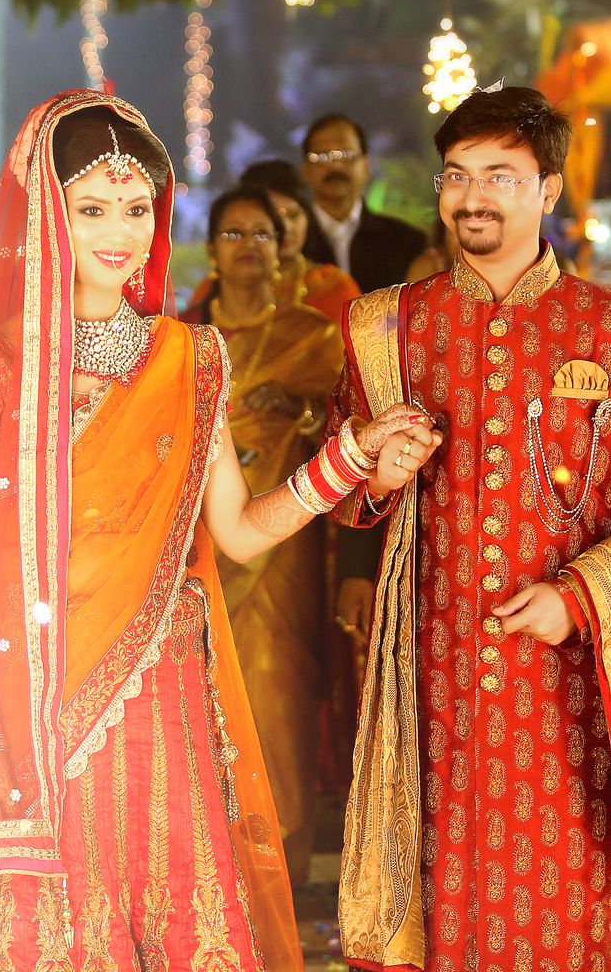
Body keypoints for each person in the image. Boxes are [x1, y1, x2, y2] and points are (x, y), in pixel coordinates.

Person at [0, 90, 432, 971]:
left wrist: (351, 461)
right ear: (49, 213)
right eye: (92, 210)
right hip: (20, 708)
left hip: (157, 704)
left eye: (136, 209)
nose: (119, 234)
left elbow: (236, 531)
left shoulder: (188, 358)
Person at [330, 86, 611, 972]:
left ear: (548, 192)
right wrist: (373, 475)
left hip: (577, 689)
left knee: (572, 908)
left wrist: (581, 596)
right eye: (457, 176)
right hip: (436, 684)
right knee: (446, 901)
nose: (473, 197)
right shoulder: (389, 328)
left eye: (500, 177)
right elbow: (343, 491)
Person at [182, 185, 346, 884]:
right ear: (213, 249)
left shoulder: (314, 335)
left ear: (285, 248)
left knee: (278, 687)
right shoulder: (183, 339)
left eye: (263, 234)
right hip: (201, 544)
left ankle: (282, 867)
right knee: (207, 692)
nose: (249, 246)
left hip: (285, 551)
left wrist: (302, 410)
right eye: (235, 234)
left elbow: (346, 433)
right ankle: (212, 869)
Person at [197, 159, 362, 325]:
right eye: (274, 217)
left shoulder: (333, 288)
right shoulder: (211, 293)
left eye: (293, 215)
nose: (285, 227)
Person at [300, 112, 428, 293]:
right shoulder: (292, 243)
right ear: (305, 170)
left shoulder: (406, 242)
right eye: (322, 156)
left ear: (366, 166)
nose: (335, 166)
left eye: (347, 155)